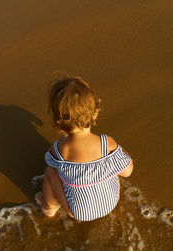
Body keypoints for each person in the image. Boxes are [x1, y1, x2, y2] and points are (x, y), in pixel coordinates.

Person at [35, 76, 133, 221]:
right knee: (112, 162)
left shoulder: (60, 148)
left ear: (58, 121)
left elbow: (51, 163)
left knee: (50, 171)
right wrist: (119, 152)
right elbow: (127, 171)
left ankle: (50, 208)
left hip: (78, 212)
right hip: (111, 203)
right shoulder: (106, 142)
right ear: (95, 111)